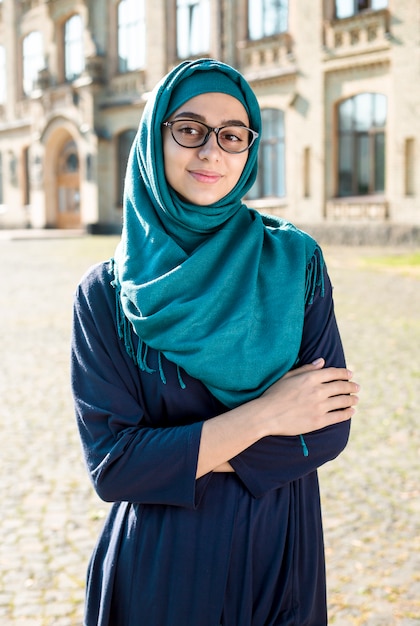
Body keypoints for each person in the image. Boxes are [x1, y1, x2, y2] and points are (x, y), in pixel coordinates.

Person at [71, 58, 359, 626]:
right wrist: (270, 415)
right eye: (189, 129)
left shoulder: (294, 262)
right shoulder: (104, 294)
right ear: (155, 139)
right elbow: (116, 468)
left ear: (250, 148)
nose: (212, 152)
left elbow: (327, 430)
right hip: (166, 566)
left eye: (233, 135)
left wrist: (177, 453)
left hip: (283, 555)